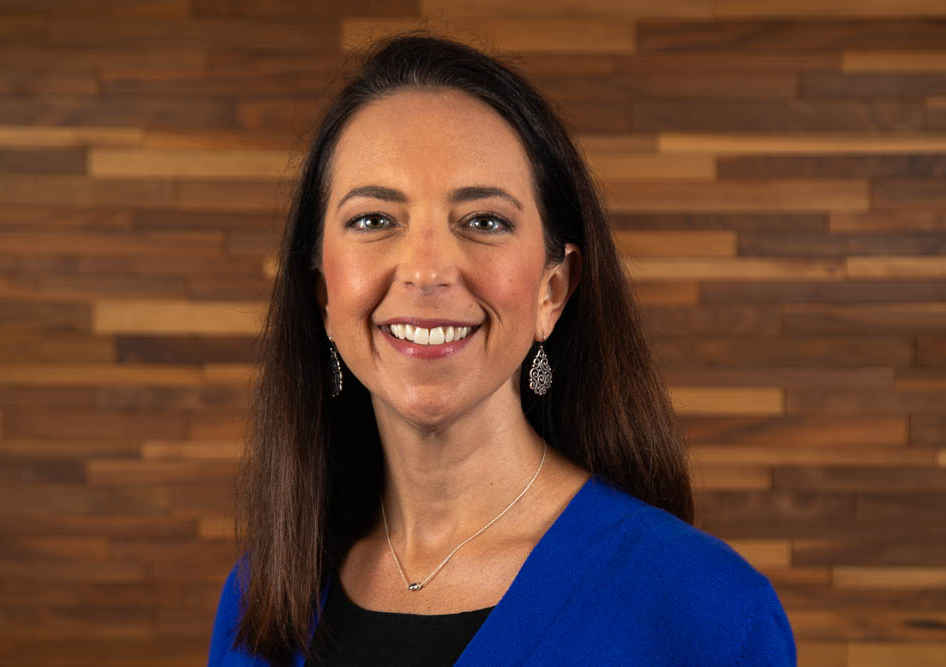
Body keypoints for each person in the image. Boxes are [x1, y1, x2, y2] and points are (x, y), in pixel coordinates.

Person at [208, 33, 796, 666]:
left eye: (484, 221)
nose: (426, 271)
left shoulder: (705, 611)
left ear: (552, 291)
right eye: (374, 220)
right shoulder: (258, 601)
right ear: (322, 291)